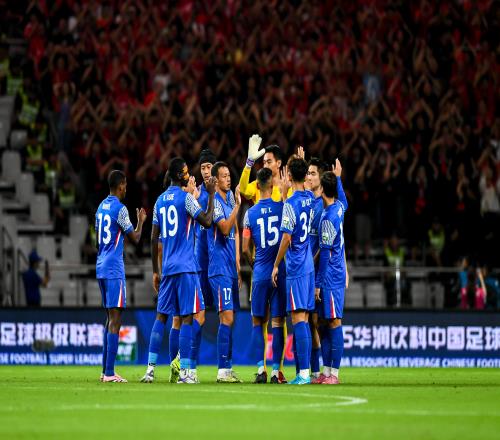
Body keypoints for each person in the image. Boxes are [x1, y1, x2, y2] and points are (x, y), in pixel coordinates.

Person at [141, 157, 216, 384]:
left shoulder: (159, 202)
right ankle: (184, 373)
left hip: (168, 268)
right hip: (186, 268)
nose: (188, 174)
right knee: (186, 318)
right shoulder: (186, 199)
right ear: (178, 175)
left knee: (161, 317)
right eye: (185, 171)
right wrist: (211, 194)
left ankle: (150, 370)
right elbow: (207, 221)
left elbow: (153, 238)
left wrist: (156, 271)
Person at [96, 170, 147, 383]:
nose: (126, 189)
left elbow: (97, 240)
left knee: (110, 318)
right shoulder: (120, 208)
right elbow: (135, 237)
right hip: (114, 269)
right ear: (120, 186)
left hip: (100, 265)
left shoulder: (101, 207)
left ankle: (105, 371)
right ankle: (109, 373)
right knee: (115, 319)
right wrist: (141, 221)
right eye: (125, 185)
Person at [272, 157, 315, 385]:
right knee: (304, 319)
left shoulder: (290, 203)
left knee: (298, 319)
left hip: (296, 267)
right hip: (308, 265)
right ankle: (306, 372)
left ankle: (304, 373)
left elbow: (286, 237)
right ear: (305, 175)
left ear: (289, 176)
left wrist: (276, 264)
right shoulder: (310, 198)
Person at [242, 168, 287, 384]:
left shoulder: (249, 214)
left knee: (257, 322)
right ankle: (277, 372)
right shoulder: (282, 208)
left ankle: (261, 370)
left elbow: (244, 248)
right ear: (272, 185)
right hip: (278, 273)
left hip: (259, 273)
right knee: (278, 323)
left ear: (257, 186)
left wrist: (254, 264)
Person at [314, 162, 349, 384]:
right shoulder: (338, 207)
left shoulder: (328, 218)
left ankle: (334, 374)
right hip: (332, 275)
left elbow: (325, 255)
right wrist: (339, 178)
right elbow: (345, 201)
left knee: (334, 322)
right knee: (323, 323)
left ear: (322, 190)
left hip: (331, 277)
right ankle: (326, 371)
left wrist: (318, 283)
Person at [209, 161, 243, 383]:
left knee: (231, 319)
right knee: (226, 317)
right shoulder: (216, 203)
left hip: (230, 267)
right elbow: (224, 228)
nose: (228, 179)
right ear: (216, 180)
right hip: (219, 267)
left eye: (229, 175)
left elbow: (236, 231)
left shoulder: (229, 199)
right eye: (223, 176)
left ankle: (228, 368)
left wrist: (238, 262)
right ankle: (222, 370)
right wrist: (238, 207)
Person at [306, 158, 328, 382]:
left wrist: (310, 261)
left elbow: (326, 243)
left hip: (319, 270)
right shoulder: (306, 202)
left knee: (319, 321)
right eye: (308, 173)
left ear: (321, 178)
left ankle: (327, 368)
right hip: (305, 271)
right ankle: (312, 370)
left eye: (313, 173)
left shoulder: (324, 205)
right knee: (308, 321)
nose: (309, 177)